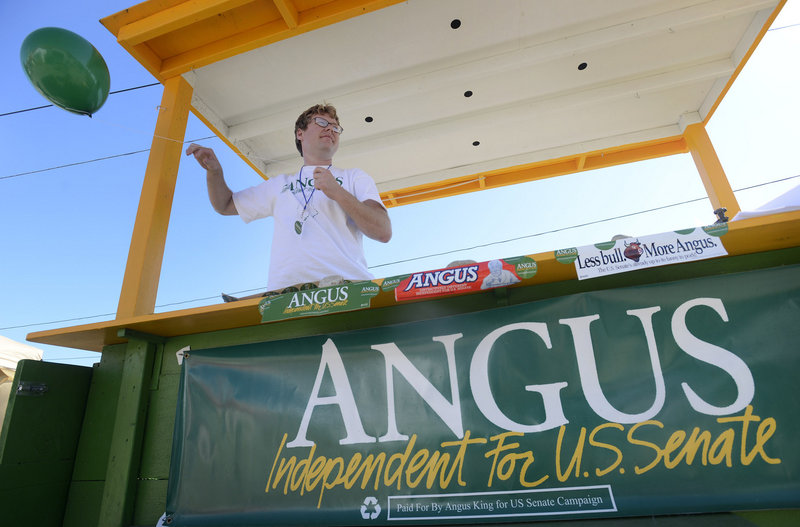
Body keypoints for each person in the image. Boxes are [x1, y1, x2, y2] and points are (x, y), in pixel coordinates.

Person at [186, 103, 392, 295]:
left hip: (348, 289)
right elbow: (225, 205)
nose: (330, 129)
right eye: (321, 122)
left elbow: (383, 231)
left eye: (336, 127)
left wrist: (338, 192)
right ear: (299, 134)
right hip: (285, 298)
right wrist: (214, 172)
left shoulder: (354, 177)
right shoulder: (278, 185)